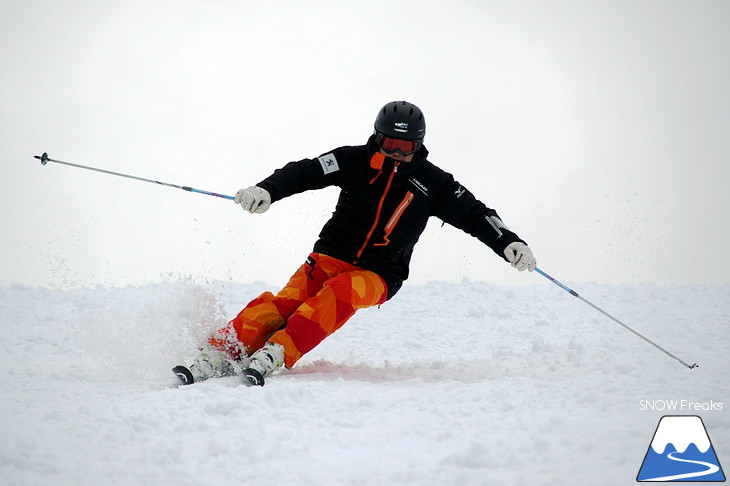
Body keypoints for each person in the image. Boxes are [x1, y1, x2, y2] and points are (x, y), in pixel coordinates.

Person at [173, 101, 536, 387]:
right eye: (390, 143)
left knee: (340, 293)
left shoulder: (434, 184)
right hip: (330, 255)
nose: (397, 152)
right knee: (286, 302)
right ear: (377, 137)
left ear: (419, 145)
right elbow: (306, 171)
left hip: (380, 273)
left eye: (405, 146)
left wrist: (509, 243)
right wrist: (266, 189)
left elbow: (476, 214)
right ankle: (219, 351)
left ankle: (277, 352)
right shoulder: (352, 160)